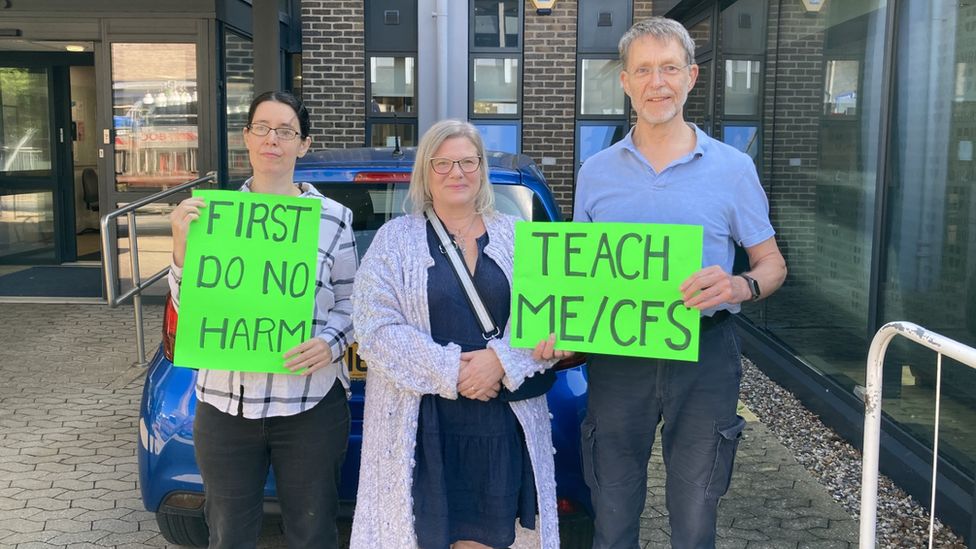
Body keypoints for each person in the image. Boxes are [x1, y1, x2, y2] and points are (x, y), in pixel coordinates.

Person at [569, 17, 788, 549]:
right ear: (625, 82)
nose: (657, 82)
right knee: (612, 514)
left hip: (705, 356)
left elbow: (772, 264)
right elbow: (577, 277)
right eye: (643, 70)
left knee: (694, 520)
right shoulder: (594, 172)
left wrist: (740, 288)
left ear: (691, 76)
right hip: (617, 361)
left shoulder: (733, 169)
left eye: (669, 68)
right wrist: (559, 329)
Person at [349, 119, 566, 549]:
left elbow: (552, 322)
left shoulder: (520, 237)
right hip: (422, 426)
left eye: (468, 161)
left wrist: (501, 361)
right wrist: (453, 369)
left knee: (489, 538)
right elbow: (374, 329)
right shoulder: (394, 240)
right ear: (426, 174)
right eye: (443, 162)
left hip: (500, 423)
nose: (457, 172)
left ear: (481, 169)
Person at [168, 90, 358, 549]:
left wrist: (330, 343)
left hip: (309, 405)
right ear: (246, 138)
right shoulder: (211, 218)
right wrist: (180, 246)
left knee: (313, 533)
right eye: (263, 128)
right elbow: (188, 307)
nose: (273, 139)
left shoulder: (333, 219)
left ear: (303, 144)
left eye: (286, 130)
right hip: (225, 405)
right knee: (228, 534)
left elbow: (354, 304)